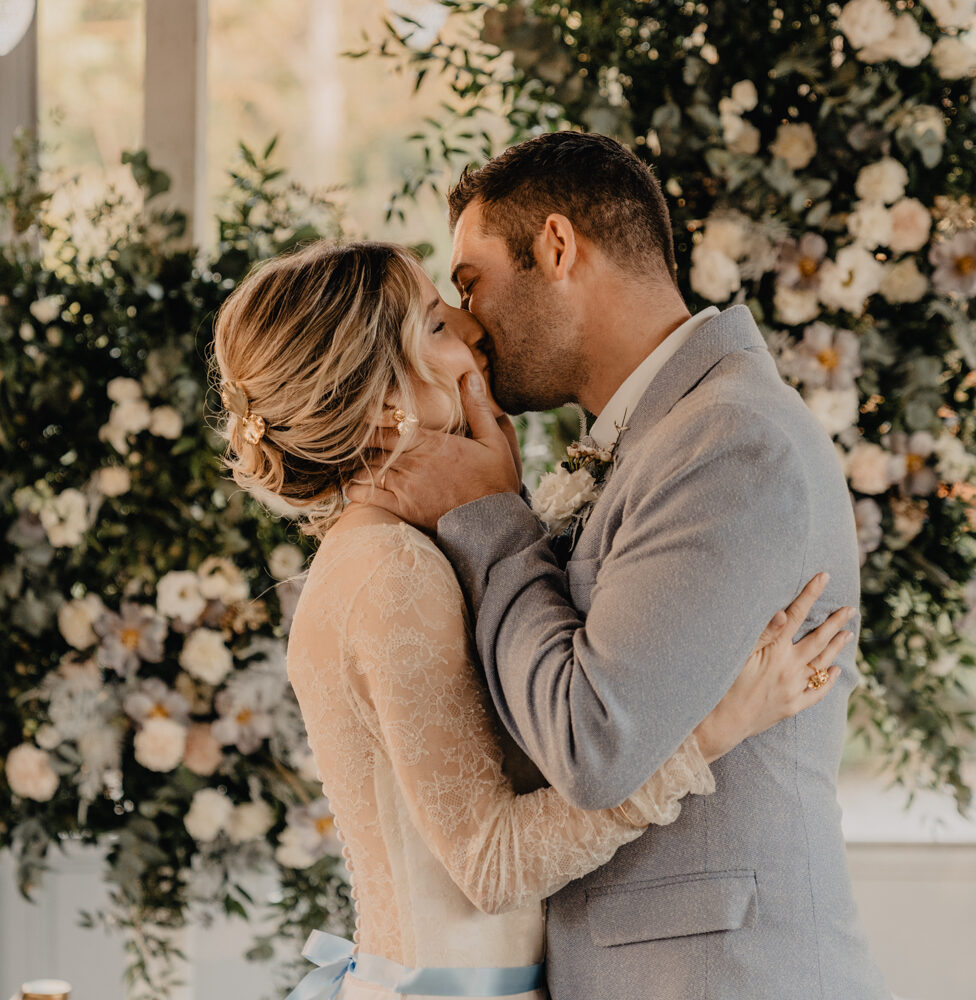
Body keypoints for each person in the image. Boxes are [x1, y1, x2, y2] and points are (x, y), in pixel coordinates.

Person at [209, 239, 854, 1000]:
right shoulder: (392, 570)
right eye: (437, 324)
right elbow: (492, 865)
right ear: (386, 404)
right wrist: (714, 729)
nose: (471, 328)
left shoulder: (396, 552)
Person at [349, 133, 891, 1000]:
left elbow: (591, 742)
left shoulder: (731, 441)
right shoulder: (651, 439)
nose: (470, 322)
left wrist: (488, 517)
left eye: (470, 282)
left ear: (558, 249)